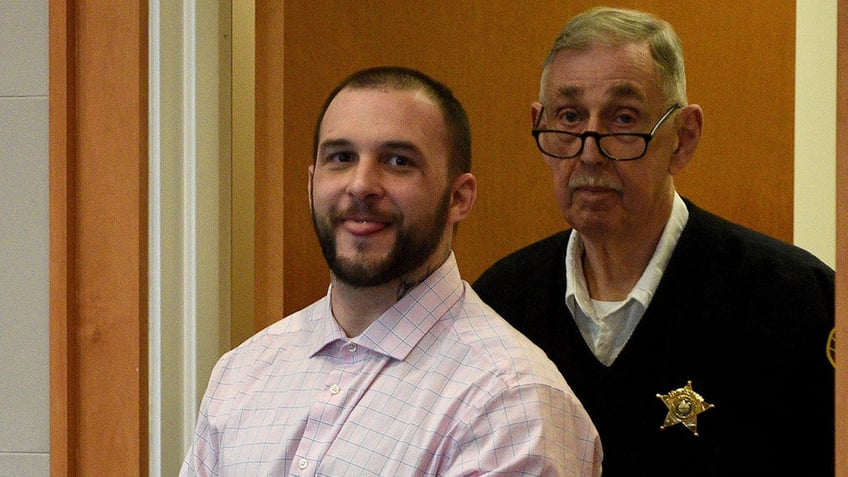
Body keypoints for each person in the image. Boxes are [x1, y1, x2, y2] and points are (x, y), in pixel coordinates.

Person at [180, 66, 602, 476]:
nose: (361, 184)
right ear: (311, 184)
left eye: (398, 161)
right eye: (341, 157)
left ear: (459, 197)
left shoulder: (509, 400)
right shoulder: (244, 371)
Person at [472, 7, 835, 476]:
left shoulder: (797, 300)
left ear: (684, 138)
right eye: (569, 117)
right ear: (539, 123)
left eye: (623, 119)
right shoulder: (499, 307)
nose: (589, 150)